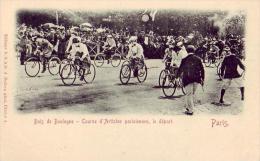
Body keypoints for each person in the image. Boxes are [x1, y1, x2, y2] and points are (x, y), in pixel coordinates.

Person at [177, 45, 205, 115]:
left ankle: (191, 110)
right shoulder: (198, 59)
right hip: (197, 79)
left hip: (187, 79)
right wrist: (203, 78)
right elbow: (202, 70)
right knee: (191, 94)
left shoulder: (184, 59)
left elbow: (180, 69)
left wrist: (176, 77)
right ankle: (187, 106)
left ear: (187, 51)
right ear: (194, 51)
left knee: (189, 94)